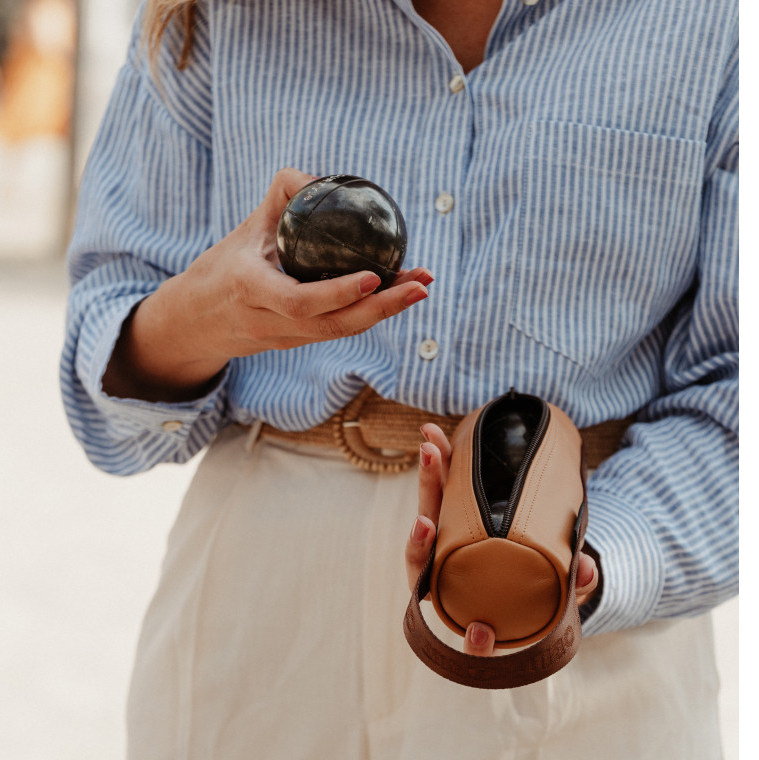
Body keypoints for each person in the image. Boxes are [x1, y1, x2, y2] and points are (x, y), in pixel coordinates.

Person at [60, 0, 738, 757]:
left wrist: (581, 559)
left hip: (562, 598)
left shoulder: (714, 25)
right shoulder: (218, 15)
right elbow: (106, 383)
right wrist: (200, 318)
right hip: (258, 600)